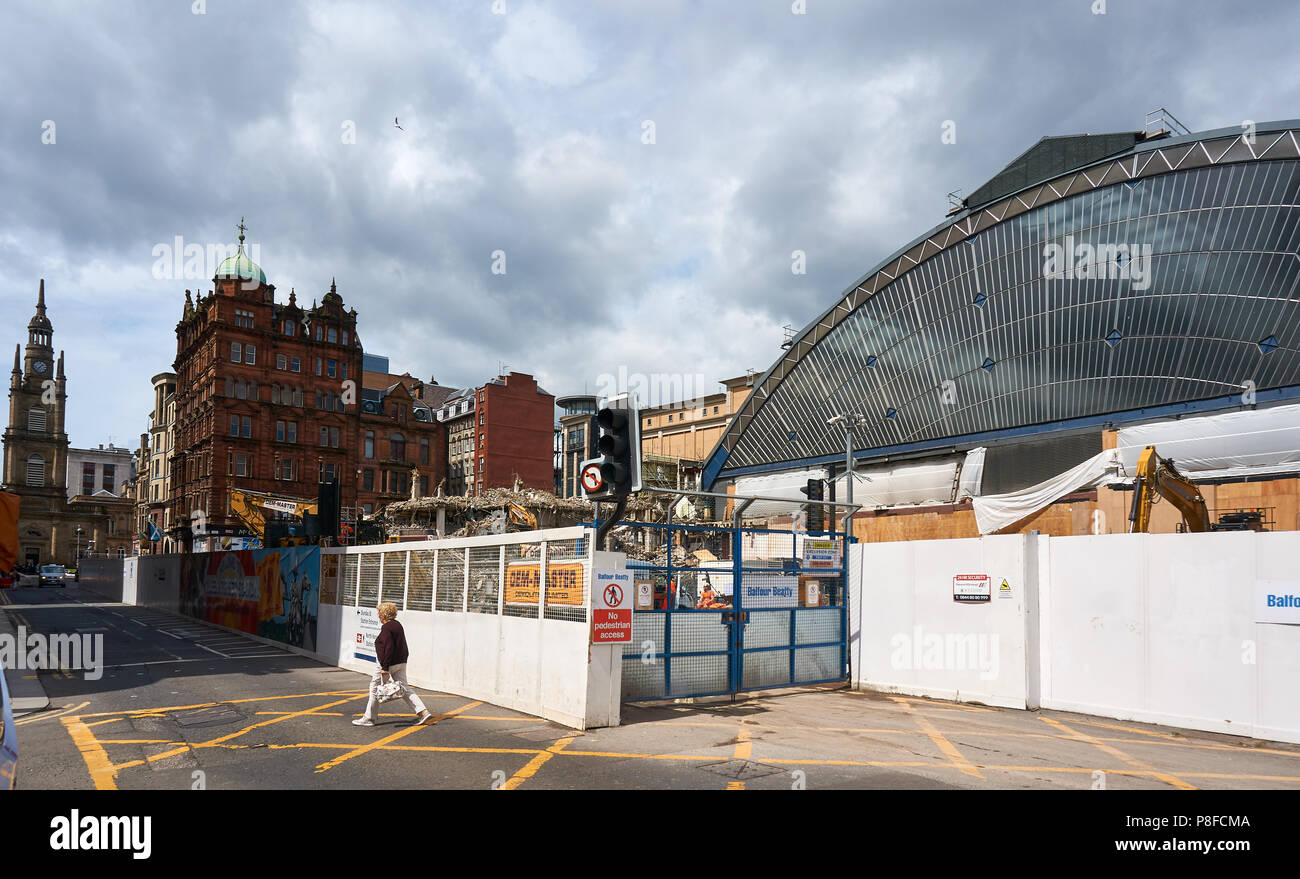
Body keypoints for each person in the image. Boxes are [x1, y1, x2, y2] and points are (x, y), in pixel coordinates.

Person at [353, 602, 433, 727]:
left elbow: (388, 647)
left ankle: (369, 718)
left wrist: (385, 667)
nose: (378, 616)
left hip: (387, 663)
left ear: (384, 614)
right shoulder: (397, 625)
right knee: (404, 688)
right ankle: (423, 712)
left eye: (379, 613)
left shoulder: (386, 628)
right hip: (401, 662)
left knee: (374, 687)